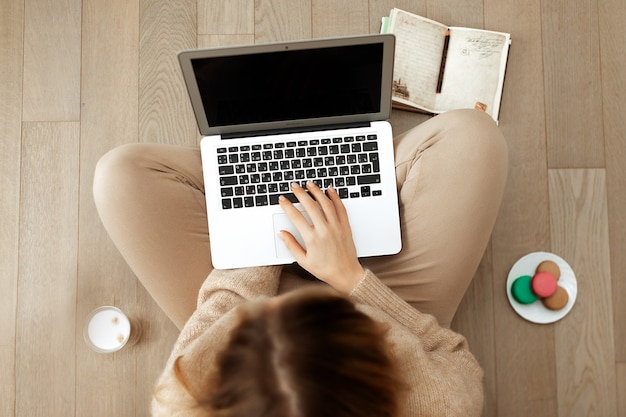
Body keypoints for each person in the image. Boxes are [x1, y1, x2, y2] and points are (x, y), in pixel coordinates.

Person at [93, 109, 508, 416]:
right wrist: (352, 280)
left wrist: (268, 234)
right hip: (377, 303)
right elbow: (446, 350)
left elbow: (220, 309)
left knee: (119, 176)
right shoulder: (440, 406)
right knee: (473, 137)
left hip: (256, 291)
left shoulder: (185, 400)